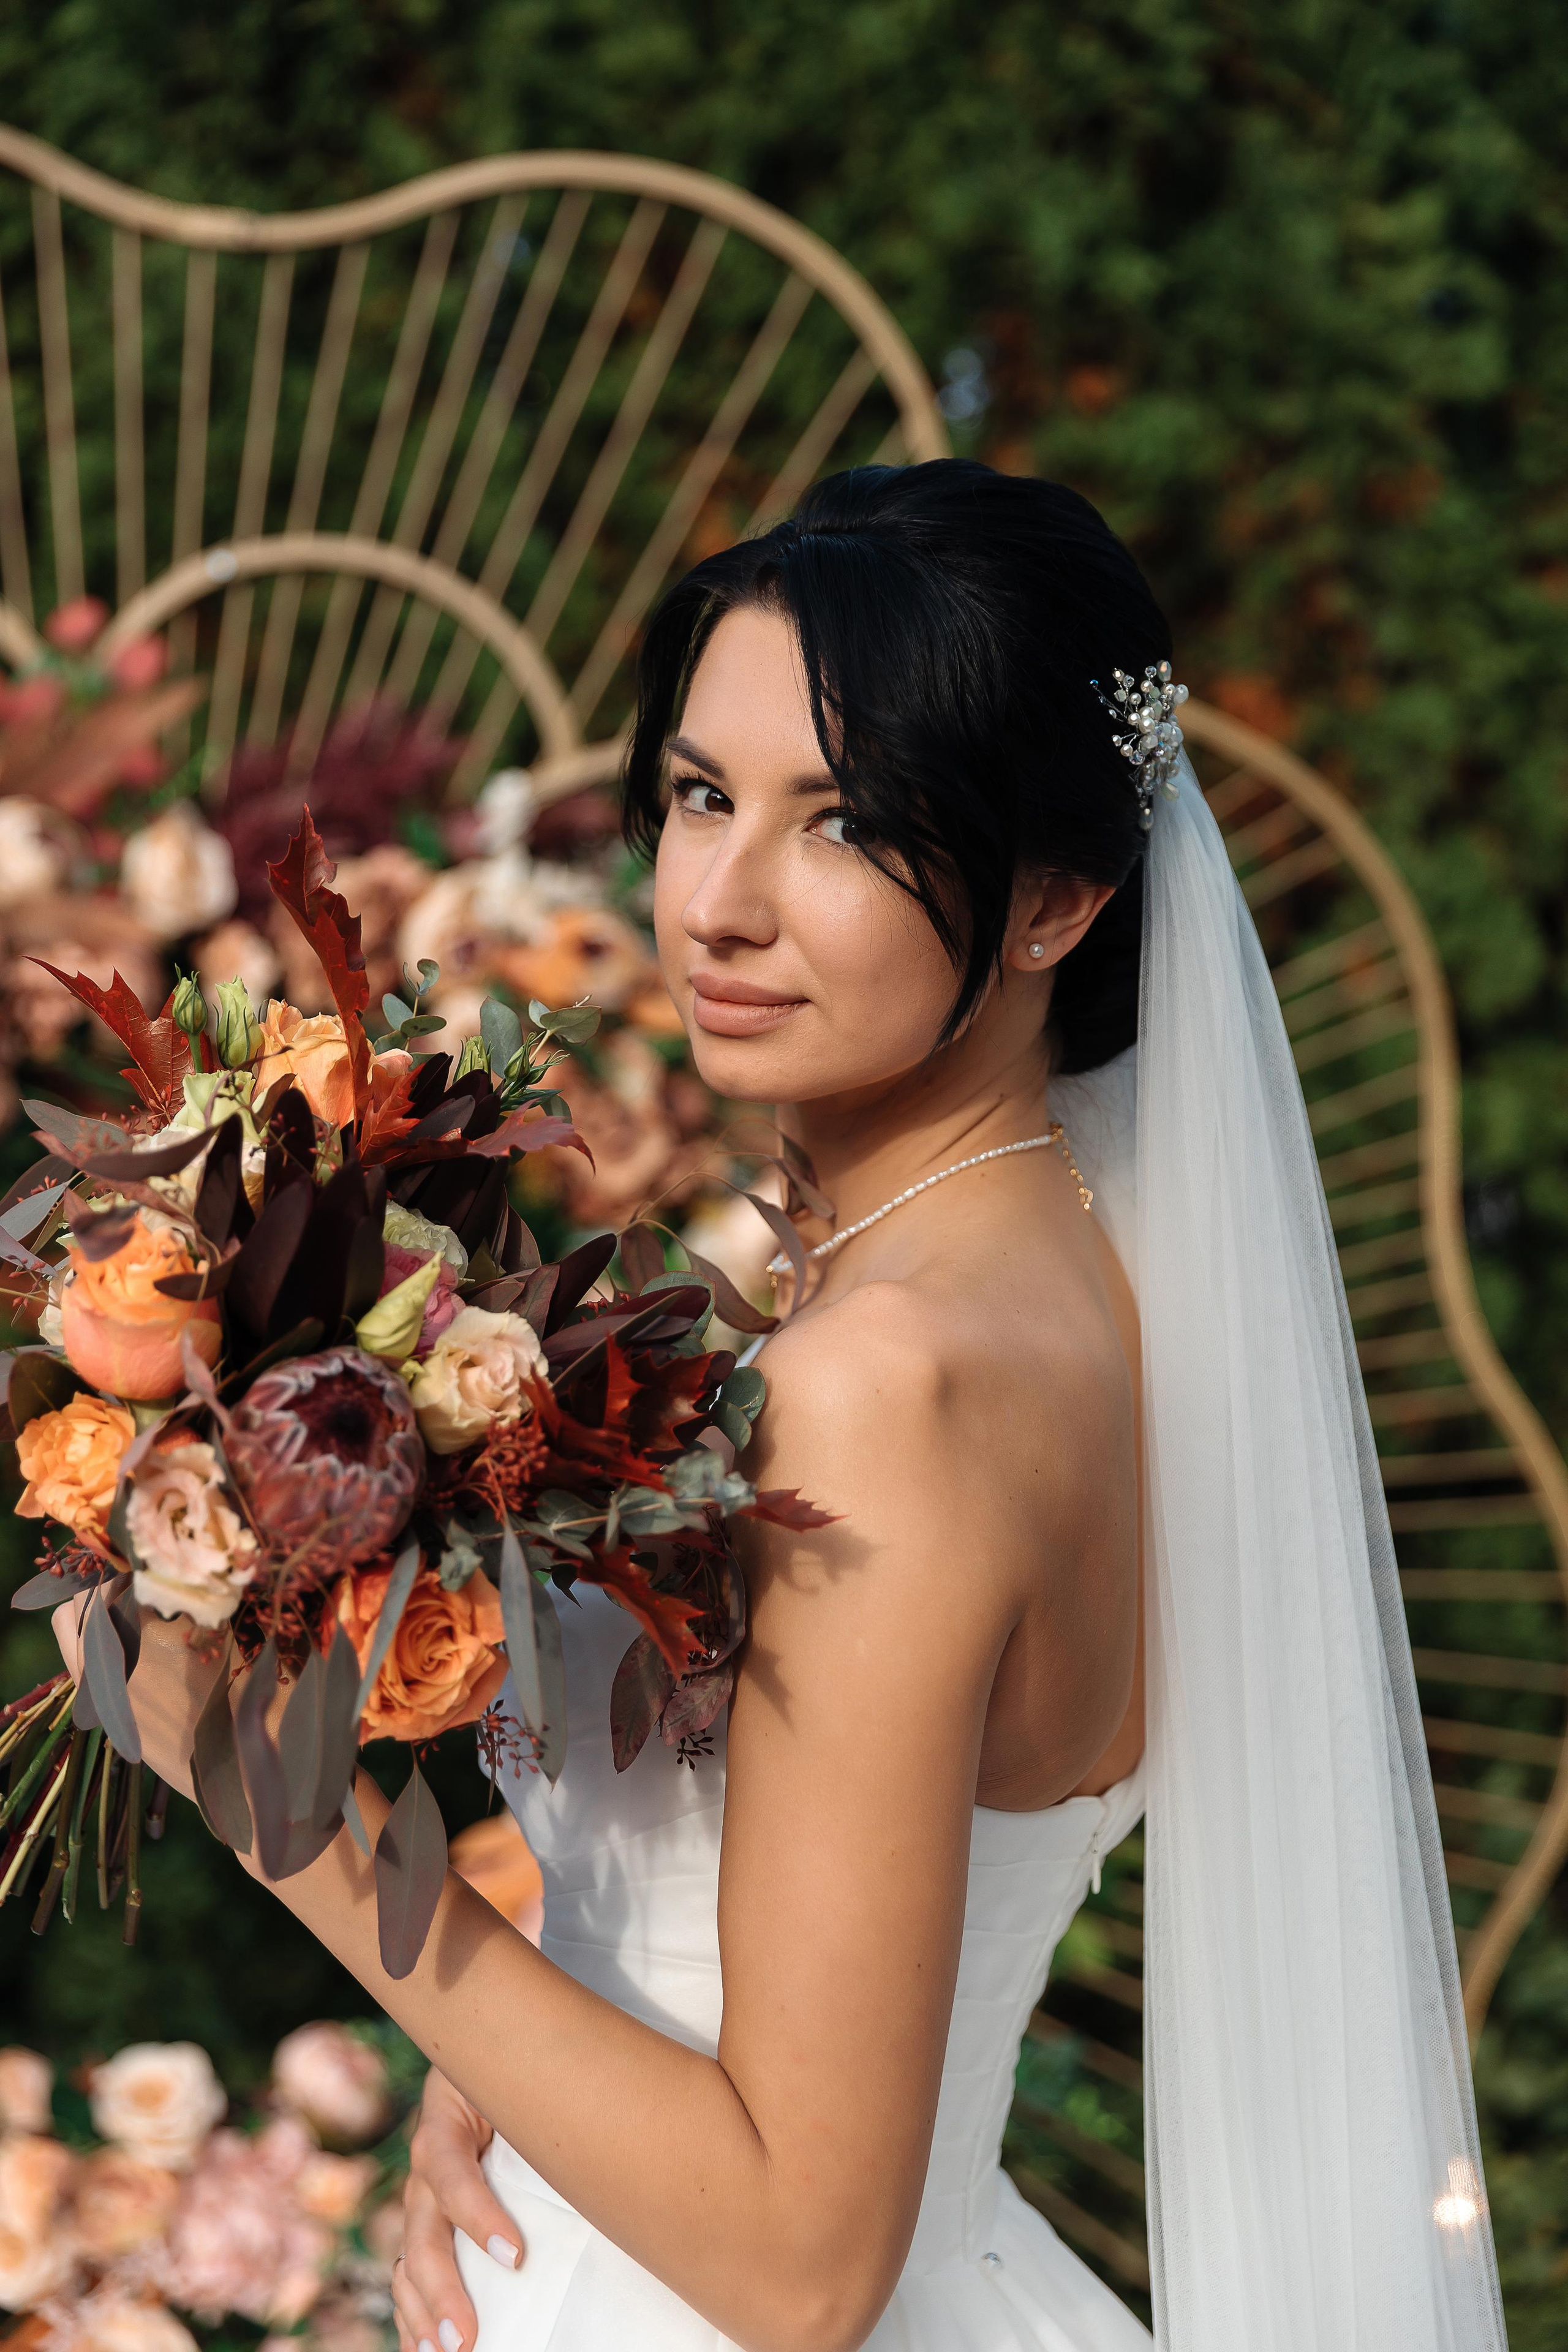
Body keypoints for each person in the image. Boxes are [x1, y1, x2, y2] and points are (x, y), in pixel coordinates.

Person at [78, 461, 1506, 2351]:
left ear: (1058, 898)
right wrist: (507, 2074)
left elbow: (802, 2261)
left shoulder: (888, 1389)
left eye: (845, 824)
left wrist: (295, 1826)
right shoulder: (1054, 1282)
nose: (721, 905)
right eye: (700, 796)